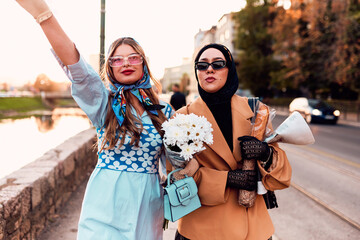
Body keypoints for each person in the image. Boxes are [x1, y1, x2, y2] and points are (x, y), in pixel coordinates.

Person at [15, 0, 174, 239]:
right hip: (105, 204)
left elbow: (173, 164)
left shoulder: (163, 111)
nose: (126, 64)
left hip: (147, 205)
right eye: (117, 60)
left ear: (144, 62)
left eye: (133, 58)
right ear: (109, 68)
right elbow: (76, 66)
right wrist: (43, 15)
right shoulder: (104, 101)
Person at [170, 43, 292, 240]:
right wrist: (226, 180)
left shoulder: (255, 111)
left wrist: (265, 153)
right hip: (201, 230)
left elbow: (282, 176)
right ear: (197, 72)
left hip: (253, 230)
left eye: (218, 64)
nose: (209, 69)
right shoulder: (182, 118)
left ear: (230, 70)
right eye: (202, 65)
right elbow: (176, 177)